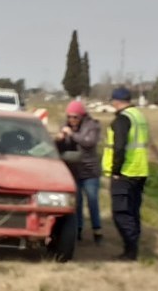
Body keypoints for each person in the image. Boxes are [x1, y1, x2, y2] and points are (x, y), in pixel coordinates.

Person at [102, 87, 150, 261]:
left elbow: (119, 147)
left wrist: (115, 170)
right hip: (140, 170)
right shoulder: (139, 116)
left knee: (121, 213)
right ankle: (133, 249)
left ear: (116, 101)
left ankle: (130, 250)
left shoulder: (122, 119)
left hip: (125, 172)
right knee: (133, 212)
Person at [55, 100, 103, 244]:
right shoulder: (65, 126)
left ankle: (97, 231)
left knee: (92, 200)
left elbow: (89, 142)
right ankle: (78, 230)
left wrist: (73, 135)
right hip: (74, 171)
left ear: (82, 116)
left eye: (75, 117)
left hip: (90, 172)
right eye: (69, 117)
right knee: (77, 202)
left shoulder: (92, 126)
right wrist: (59, 140)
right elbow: (61, 148)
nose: (72, 120)